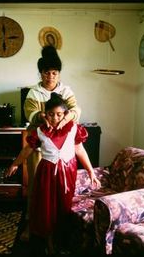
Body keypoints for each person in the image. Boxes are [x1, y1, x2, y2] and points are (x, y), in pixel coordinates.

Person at [6, 93, 100, 254]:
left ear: (65, 114)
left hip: (68, 172)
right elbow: (28, 150)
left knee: (64, 206)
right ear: (45, 115)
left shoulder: (74, 129)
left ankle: (61, 239)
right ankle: (48, 242)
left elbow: (80, 150)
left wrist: (91, 172)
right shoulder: (39, 131)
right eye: (51, 114)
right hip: (47, 172)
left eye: (59, 114)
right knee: (46, 207)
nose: (55, 118)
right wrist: (15, 164)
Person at [22, 45, 82, 241]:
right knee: (36, 187)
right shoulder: (34, 93)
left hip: (62, 147)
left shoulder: (66, 91)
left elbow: (75, 110)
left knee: (60, 188)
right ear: (41, 73)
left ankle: (59, 226)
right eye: (46, 73)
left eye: (54, 73)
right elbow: (28, 113)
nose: (50, 76)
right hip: (40, 145)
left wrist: (66, 118)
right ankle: (33, 225)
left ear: (58, 74)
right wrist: (40, 115)